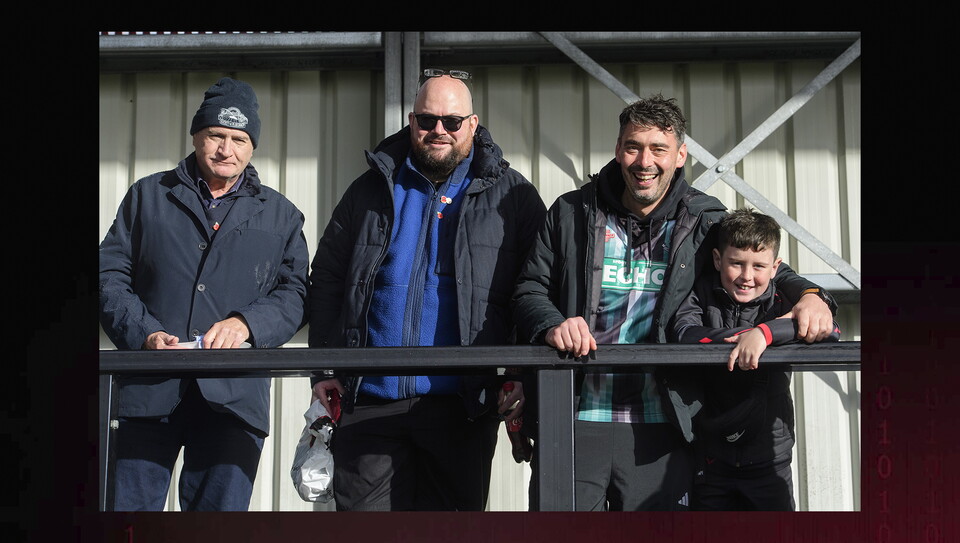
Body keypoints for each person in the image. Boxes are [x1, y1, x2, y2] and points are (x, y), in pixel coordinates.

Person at [512, 94, 835, 511]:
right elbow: (529, 290)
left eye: (658, 149)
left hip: (665, 424)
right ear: (618, 150)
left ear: (680, 155)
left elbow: (756, 263)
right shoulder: (570, 212)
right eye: (633, 146)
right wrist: (553, 323)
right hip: (573, 417)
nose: (645, 161)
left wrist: (811, 295)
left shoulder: (705, 219)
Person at [307, 69, 546, 511]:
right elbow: (327, 279)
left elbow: (534, 291)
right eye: (427, 119)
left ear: (472, 125)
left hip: (462, 406)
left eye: (452, 122)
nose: (439, 130)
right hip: (369, 402)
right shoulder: (369, 190)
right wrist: (324, 368)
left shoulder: (515, 198)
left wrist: (518, 375)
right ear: (411, 121)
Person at [98, 77, 310, 511]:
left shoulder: (282, 215)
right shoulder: (147, 197)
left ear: (253, 146)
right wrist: (144, 334)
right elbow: (108, 275)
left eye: (238, 138)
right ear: (197, 135)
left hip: (233, 399)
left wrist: (247, 324)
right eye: (216, 135)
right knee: (129, 524)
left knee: (217, 529)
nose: (225, 149)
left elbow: (296, 293)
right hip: (149, 392)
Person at [670, 208, 840, 510]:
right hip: (710, 458)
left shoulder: (783, 299)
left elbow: (829, 330)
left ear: (776, 267)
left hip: (770, 457)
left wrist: (764, 334)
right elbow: (684, 332)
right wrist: (738, 338)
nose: (747, 277)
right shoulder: (698, 292)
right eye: (736, 263)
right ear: (717, 260)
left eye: (759, 266)